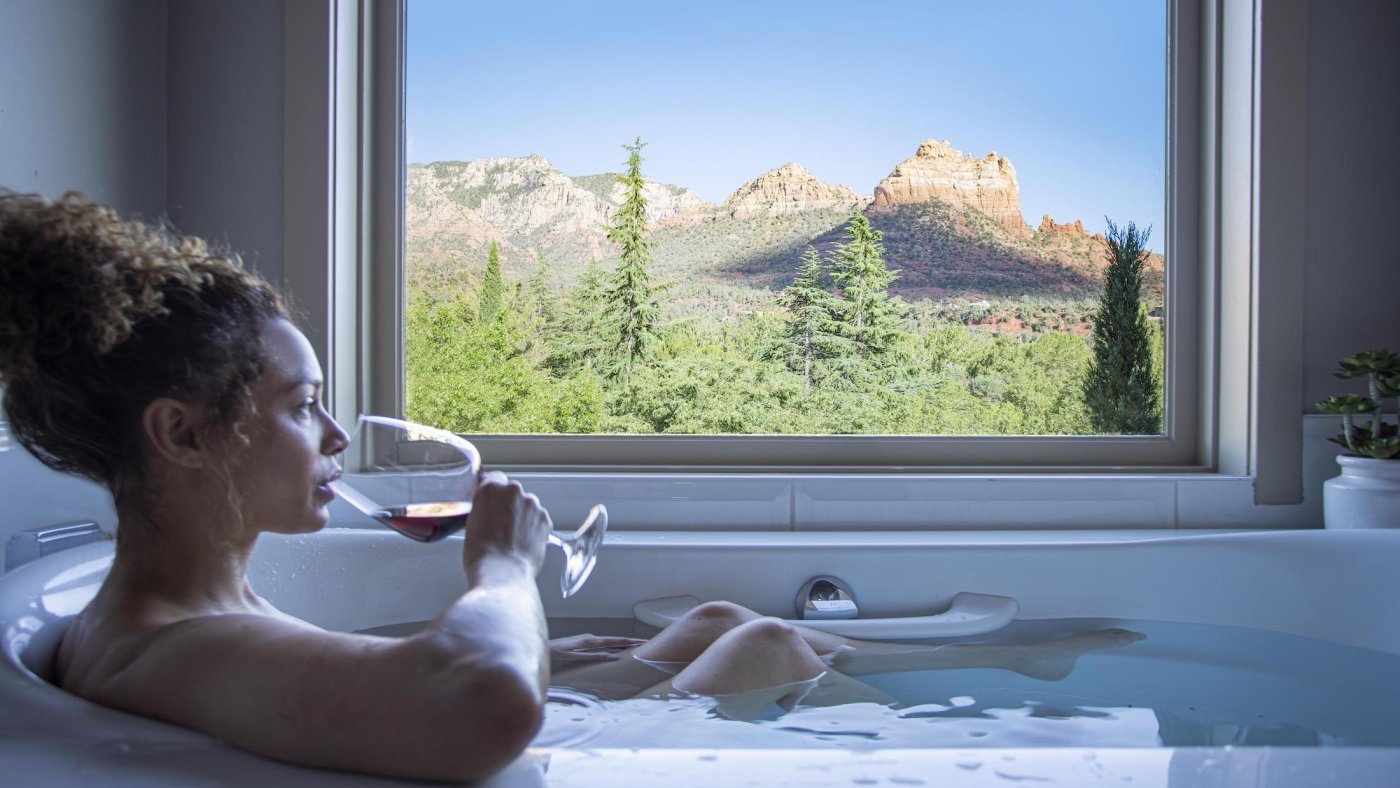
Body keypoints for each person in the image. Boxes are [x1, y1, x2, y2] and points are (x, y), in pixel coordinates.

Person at [0, 192, 1140, 781]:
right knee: (768, 646)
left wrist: (577, 652)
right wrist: (502, 566)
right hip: (506, 746)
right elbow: (480, 709)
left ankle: (979, 661)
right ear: (184, 434)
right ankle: (938, 753)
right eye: (301, 406)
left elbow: (352, 683)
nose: (337, 432)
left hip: (493, 725)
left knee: (713, 620)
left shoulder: (182, 609)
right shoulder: (168, 640)